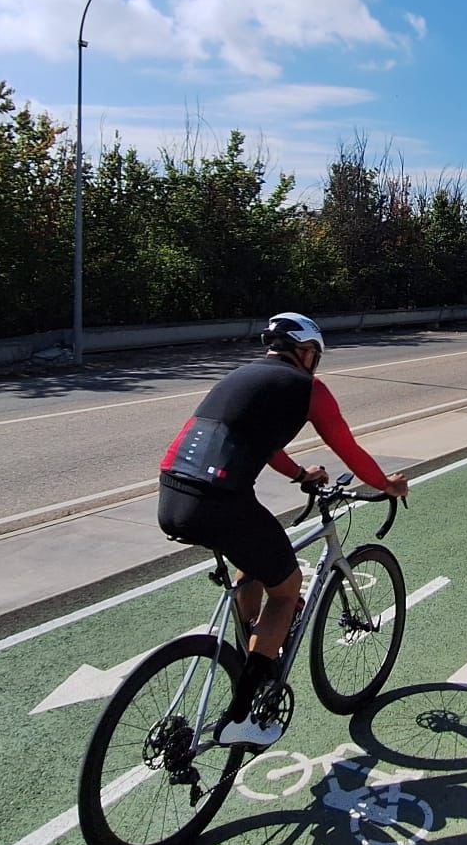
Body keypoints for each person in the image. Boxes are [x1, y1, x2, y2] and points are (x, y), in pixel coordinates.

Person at [156, 311, 409, 746]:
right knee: (287, 586)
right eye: (316, 355)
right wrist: (387, 484)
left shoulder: (242, 378)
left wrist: (299, 474)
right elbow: (347, 448)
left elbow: (261, 443)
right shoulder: (309, 390)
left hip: (173, 493)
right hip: (222, 501)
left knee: (251, 564)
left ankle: (250, 653)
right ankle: (242, 716)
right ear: (306, 352)